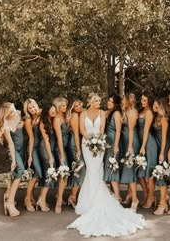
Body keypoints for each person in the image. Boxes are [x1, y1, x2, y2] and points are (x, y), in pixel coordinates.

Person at [67, 93, 146, 237]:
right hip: (87, 145)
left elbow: (102, 129)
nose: (99, 102)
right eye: (96, 100)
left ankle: (97, 198)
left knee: (97, 170)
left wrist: (97, 142)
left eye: (99, 100)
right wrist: (90, 141)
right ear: (90, 101)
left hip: (100, 145)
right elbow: (81, 130)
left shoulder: (103, 113)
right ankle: (88, 200)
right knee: (90, 170)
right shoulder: (83, 113)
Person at [0, 102, 25, 217]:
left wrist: (22, 122)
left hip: (22, 149)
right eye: (11, 112)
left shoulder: (18, 113)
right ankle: (10, 203)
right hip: (14, 151)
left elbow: (24, 120)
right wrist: (13, 160)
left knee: (16, 173)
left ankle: (7, 195)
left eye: (14, 109)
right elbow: (11, 144)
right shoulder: (5, 126)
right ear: (5, 114)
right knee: (20, 170)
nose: (14, 112)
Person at [138, 91, 158, 208]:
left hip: (148, 143)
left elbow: (146, 130)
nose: (142, 102)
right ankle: (146, 193)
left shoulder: (149, 112)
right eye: (142, 100)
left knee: (149, 172)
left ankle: (151, 197)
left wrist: (143, 146)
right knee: (140, 171)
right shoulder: (142, 111)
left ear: (149, 101)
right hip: (141, 142)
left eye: (145, 100)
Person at [152, 98, 170, 215]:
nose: (153, 107)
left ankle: (162, 204)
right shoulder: (157, 117)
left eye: (155, 106)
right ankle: (166, 197)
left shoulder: (164, 120)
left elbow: (164, 138)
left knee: (161, 174)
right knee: (159, 174)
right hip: (158, 146)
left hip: (163, 147)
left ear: (160, 106)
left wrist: (162, 153)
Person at [120, 93, 140, 209]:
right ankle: (130, 193)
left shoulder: (132, 112)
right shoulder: (126, 111)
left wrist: (130, 146)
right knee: (128, 168)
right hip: (125, 141)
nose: (122, 101)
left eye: (124, 100)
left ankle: (135, 199)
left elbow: (131, 130)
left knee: (130, 169)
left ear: (128, 101)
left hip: (130, 142)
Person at [23, 98, 42, 211]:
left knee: (37, 175)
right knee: (36, 173)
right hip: (33, 148)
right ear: (27, 110)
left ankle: (31, 196)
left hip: (41, 147)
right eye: (30, 108)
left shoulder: (40, 115)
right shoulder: (28, 121)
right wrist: (30, 155)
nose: (32, 109)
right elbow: (31, 138)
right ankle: (27, 199)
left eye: (34, 106)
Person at [66, 98, 86, 208]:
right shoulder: (74, 116)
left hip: (79, 142)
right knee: (79, 169)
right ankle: (72, 196)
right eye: (76, 106)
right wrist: (78, 150)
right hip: (75, 143)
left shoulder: (81, 113)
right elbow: (75, 134)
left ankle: (75, 196)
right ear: (72, 107)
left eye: (79, 105)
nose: (78, 107)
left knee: (81, 169)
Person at [52, 97, 70, 214]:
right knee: (64, 173)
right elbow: (59, 138)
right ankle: (58, 201)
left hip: (67, 146)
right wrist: (62, 154)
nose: (65, 107)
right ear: (58, 107)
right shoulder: (57, 119)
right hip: (60, 148)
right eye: (63, 106)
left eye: (65, 105)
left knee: (66, 174)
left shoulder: (65, 116)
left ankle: (59, 195)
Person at [103, 94, 122, 201]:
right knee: (108, 166)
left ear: (115, 104)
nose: (108, 102)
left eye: (111, 101)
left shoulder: (116, 114)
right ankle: (114, 193)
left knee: (112, 166)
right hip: (107, 143)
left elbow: (118, 130)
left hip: (113, 143)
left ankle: (118, 195)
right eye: (108, 100)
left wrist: (115, 146)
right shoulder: (107, 113)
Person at [38, 103, 56, 211]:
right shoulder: (42, 123)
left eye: (54, 109)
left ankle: (41, 198)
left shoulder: (51, 120)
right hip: (45, 148)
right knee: (50, 173)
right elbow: (46, 141)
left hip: (50, 148)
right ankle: (41, 200)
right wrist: (50, 157)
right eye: (51, 110)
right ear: (47, 111)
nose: (54, 111)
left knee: (48, 173)